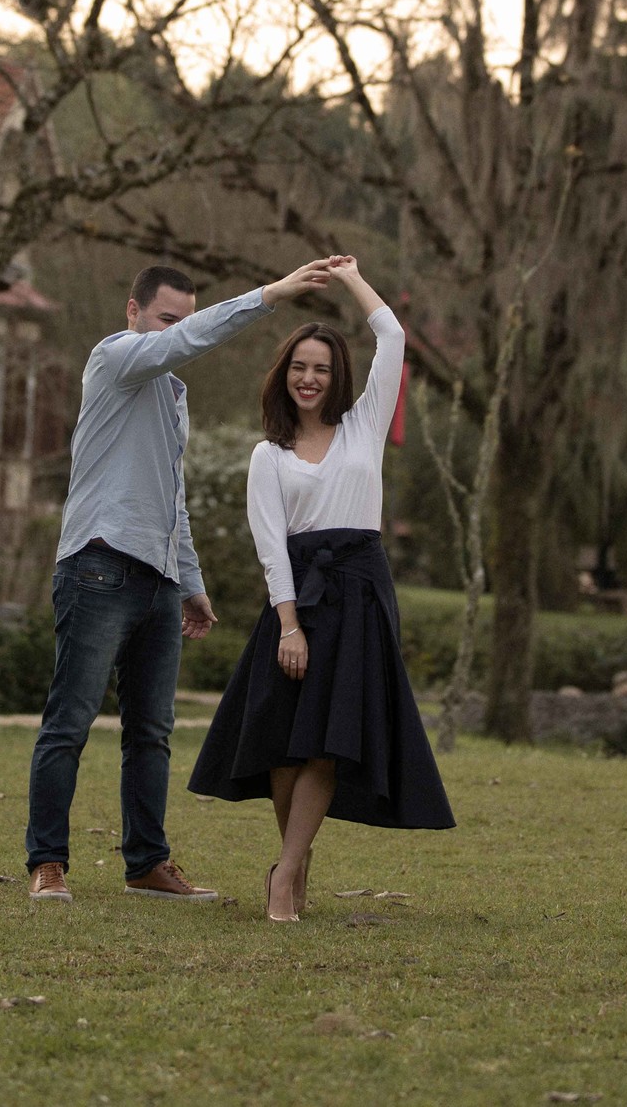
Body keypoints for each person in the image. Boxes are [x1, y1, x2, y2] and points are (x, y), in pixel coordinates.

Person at [25, 256, 337, 904]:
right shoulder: (114, 358)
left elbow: (173, 494)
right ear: (133, 314)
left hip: (159, 577)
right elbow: (182, 343)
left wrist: (189, 579)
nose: (178, 333)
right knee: (71, 719)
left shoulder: (173, 393)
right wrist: (272, 294)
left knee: (152, 730)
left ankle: (146, 862)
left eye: (184, 321)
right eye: (167, 320)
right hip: (99, 562)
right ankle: (48, 862)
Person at [188, 256, 455, 921]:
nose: (311, 378)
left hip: (363, 594)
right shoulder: (267, 455)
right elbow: (270, 545)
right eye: (301, 367)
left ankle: (285, 876)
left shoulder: (363, 427)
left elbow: (392, 337)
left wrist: (355, 277)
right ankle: (294, 861)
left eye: (324, 368)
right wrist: (289, 624)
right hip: (298, 598)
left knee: (333, 738)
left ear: (338, 378)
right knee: (286, 735)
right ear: (285, 374)